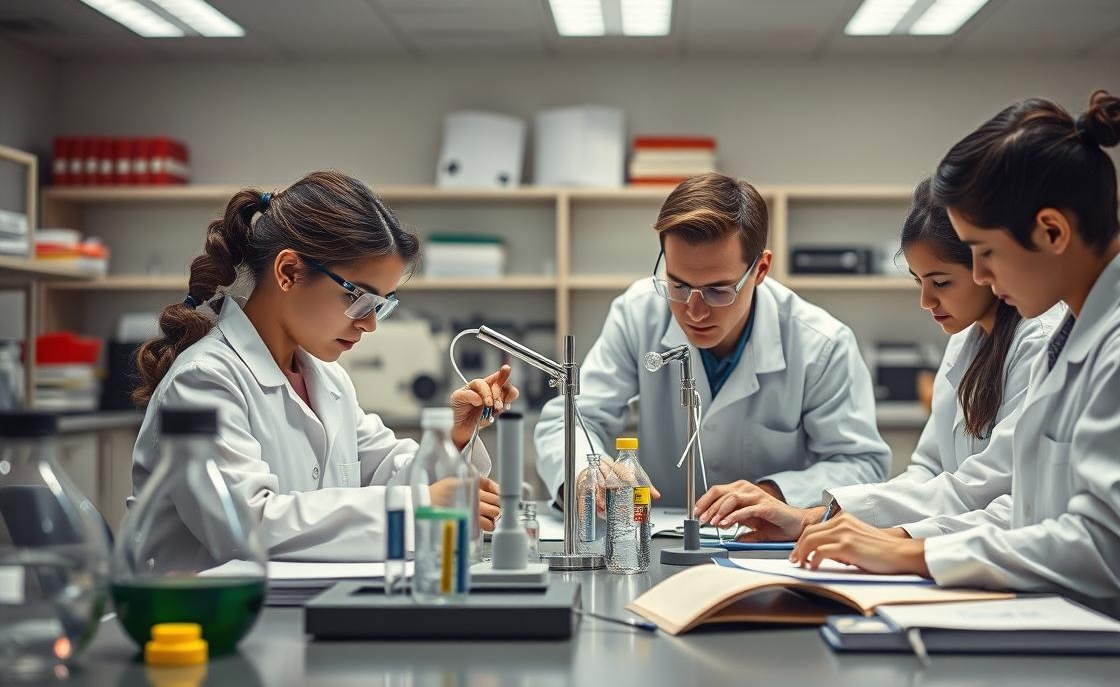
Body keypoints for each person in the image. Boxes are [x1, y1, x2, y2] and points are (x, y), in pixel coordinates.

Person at [789, 92, 1120, 679]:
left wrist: (916, 552)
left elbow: (1109, 546)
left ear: (1052, 230)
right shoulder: (1087, 330)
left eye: (984, 253)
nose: (979, 276)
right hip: (1065, 636)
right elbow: (1024, 513)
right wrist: (893, 542)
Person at [129, 170, 518, 564]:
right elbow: (246, 527)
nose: (370, 323)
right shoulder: (204, 380)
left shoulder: (326, 378)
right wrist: (416, 506)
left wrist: (450, 439)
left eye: (381, 305)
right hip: (202, 617)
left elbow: (387, 473)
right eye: (361, 299)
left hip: (296, 608)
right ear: (289, 272)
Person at [694, 178, 1064, 539]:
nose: (926, 302)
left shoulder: (1039, 341)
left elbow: (984, 490)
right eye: (919, 282)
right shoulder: (968, 337)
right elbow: (928, 471)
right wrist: (819, 519)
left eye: (941, 283)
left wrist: (827, 523)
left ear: (987, 264)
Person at [533, 173, 889, 511]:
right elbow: (569, 421)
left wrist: (774, 493)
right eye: (678, 285)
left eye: (718, 291)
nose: (695, 311)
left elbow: (862, 464)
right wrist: (584, 473)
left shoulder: (822, 344)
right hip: (660, 542)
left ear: (761, 270)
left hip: (770, 551)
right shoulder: (637, 313)